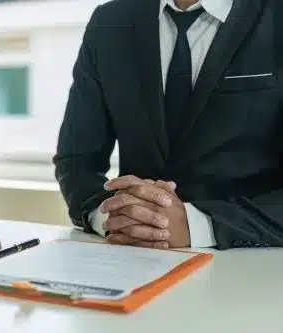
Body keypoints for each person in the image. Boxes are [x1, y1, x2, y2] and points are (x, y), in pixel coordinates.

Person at [53, 0, 283, 250]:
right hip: (133, 261)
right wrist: (109, 215)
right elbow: (76, 160)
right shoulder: (109, 21)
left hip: (251, 263)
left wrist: (198, 225)